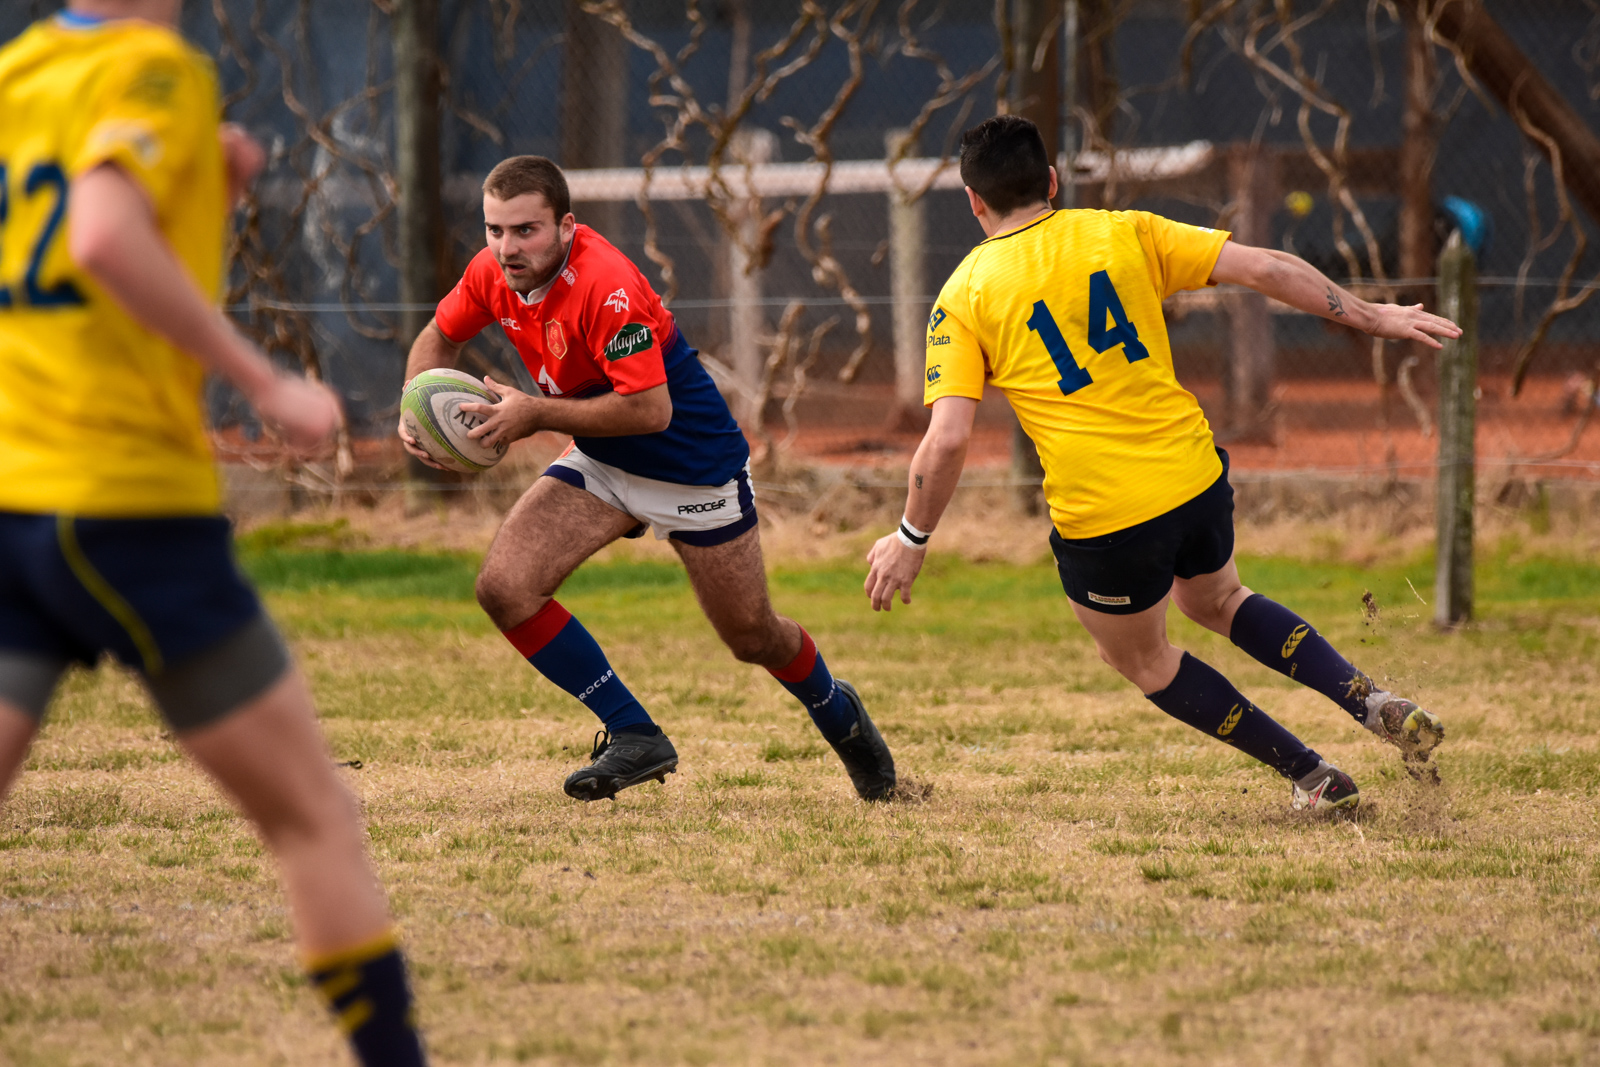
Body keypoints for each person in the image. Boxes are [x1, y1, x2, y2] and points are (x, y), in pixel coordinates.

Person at [0, 3, 427, 1062]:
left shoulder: (21, 71)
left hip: (11, 495)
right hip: (126, 507)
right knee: (314, 815)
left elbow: (56, 248)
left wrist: (201, 189)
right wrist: (265, 380)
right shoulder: (155, 71)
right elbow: (100, 234)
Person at [864, 116, 1455, 811]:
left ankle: (1313, 777)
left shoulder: (963, 294)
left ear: (973, 201)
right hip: (1194, 475)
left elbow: (948, 439)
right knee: (1219, 599)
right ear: (1051, 181)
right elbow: (1266, 267)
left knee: (1141, 658)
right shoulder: (1126, 230)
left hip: (1106, 516)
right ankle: (1372, 701)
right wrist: (1372, 316)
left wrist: (911, 538)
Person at [398, 155, 896, 802]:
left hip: (692, 470)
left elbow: (650, 411)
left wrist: (535, 415)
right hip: (604, 460)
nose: (507, 247)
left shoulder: (606, 287)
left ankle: (840, 713)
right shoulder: (492, 273)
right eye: (495, 230)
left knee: (752, 636)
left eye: (526, 230)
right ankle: (635, 732)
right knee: (505, 588)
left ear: (566, 226)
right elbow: (438, 336)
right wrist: (413, 406)